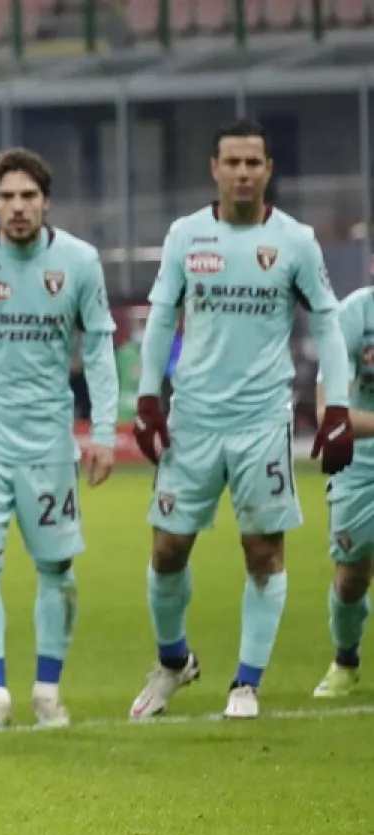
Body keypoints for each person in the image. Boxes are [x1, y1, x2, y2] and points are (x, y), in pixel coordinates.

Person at [131, 118, 354, 721]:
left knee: (263, 552)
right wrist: (148, 399)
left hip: (261, 420)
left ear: (268, 170)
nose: (243, 172)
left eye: (253, 162)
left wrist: (336, 405)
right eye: (232, 162)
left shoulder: (296, 241)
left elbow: (328, 322)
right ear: (214, 169)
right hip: (194, 419)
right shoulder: (186, 236)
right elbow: (159, 319)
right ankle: (173, 662)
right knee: (169, 548)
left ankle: (246, 683)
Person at [0, 148, 120, 731]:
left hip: (48, 441)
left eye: (28, 196)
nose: (18, 207)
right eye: (7, 197)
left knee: (56, 568)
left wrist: (104, 431)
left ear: (46, 201)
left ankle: (48, 692)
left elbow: (102, 348)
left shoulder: (80, 262)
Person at [314, 284, 374, 698]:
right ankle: (345, 659)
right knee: (352, 575)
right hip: (361, 458)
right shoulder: (353, 315)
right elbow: (328, 411)